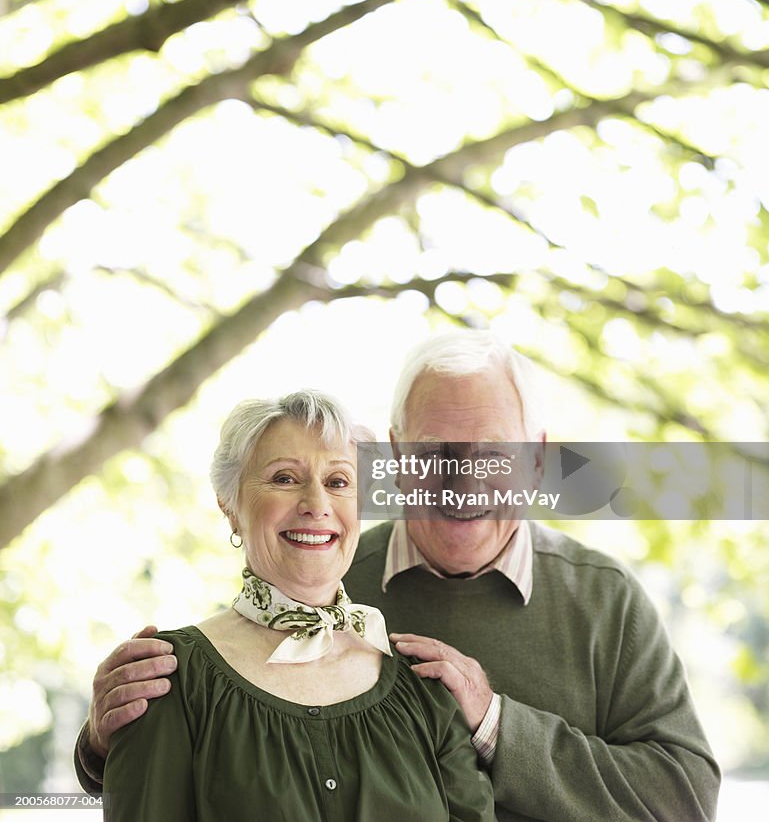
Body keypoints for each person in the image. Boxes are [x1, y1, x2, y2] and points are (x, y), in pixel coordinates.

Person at [76, 332, 720, 822]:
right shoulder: (325, 569)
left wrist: (496, 725)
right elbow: (222, 731)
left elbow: (686, 796)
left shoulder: (603, 599)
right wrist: (104, 742)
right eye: (435, 452)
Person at [97, 389, 494, 821]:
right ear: (229, 505)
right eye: (284, 478)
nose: (317, 505)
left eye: (338, 482)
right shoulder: (168, 680)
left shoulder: (424, 686)